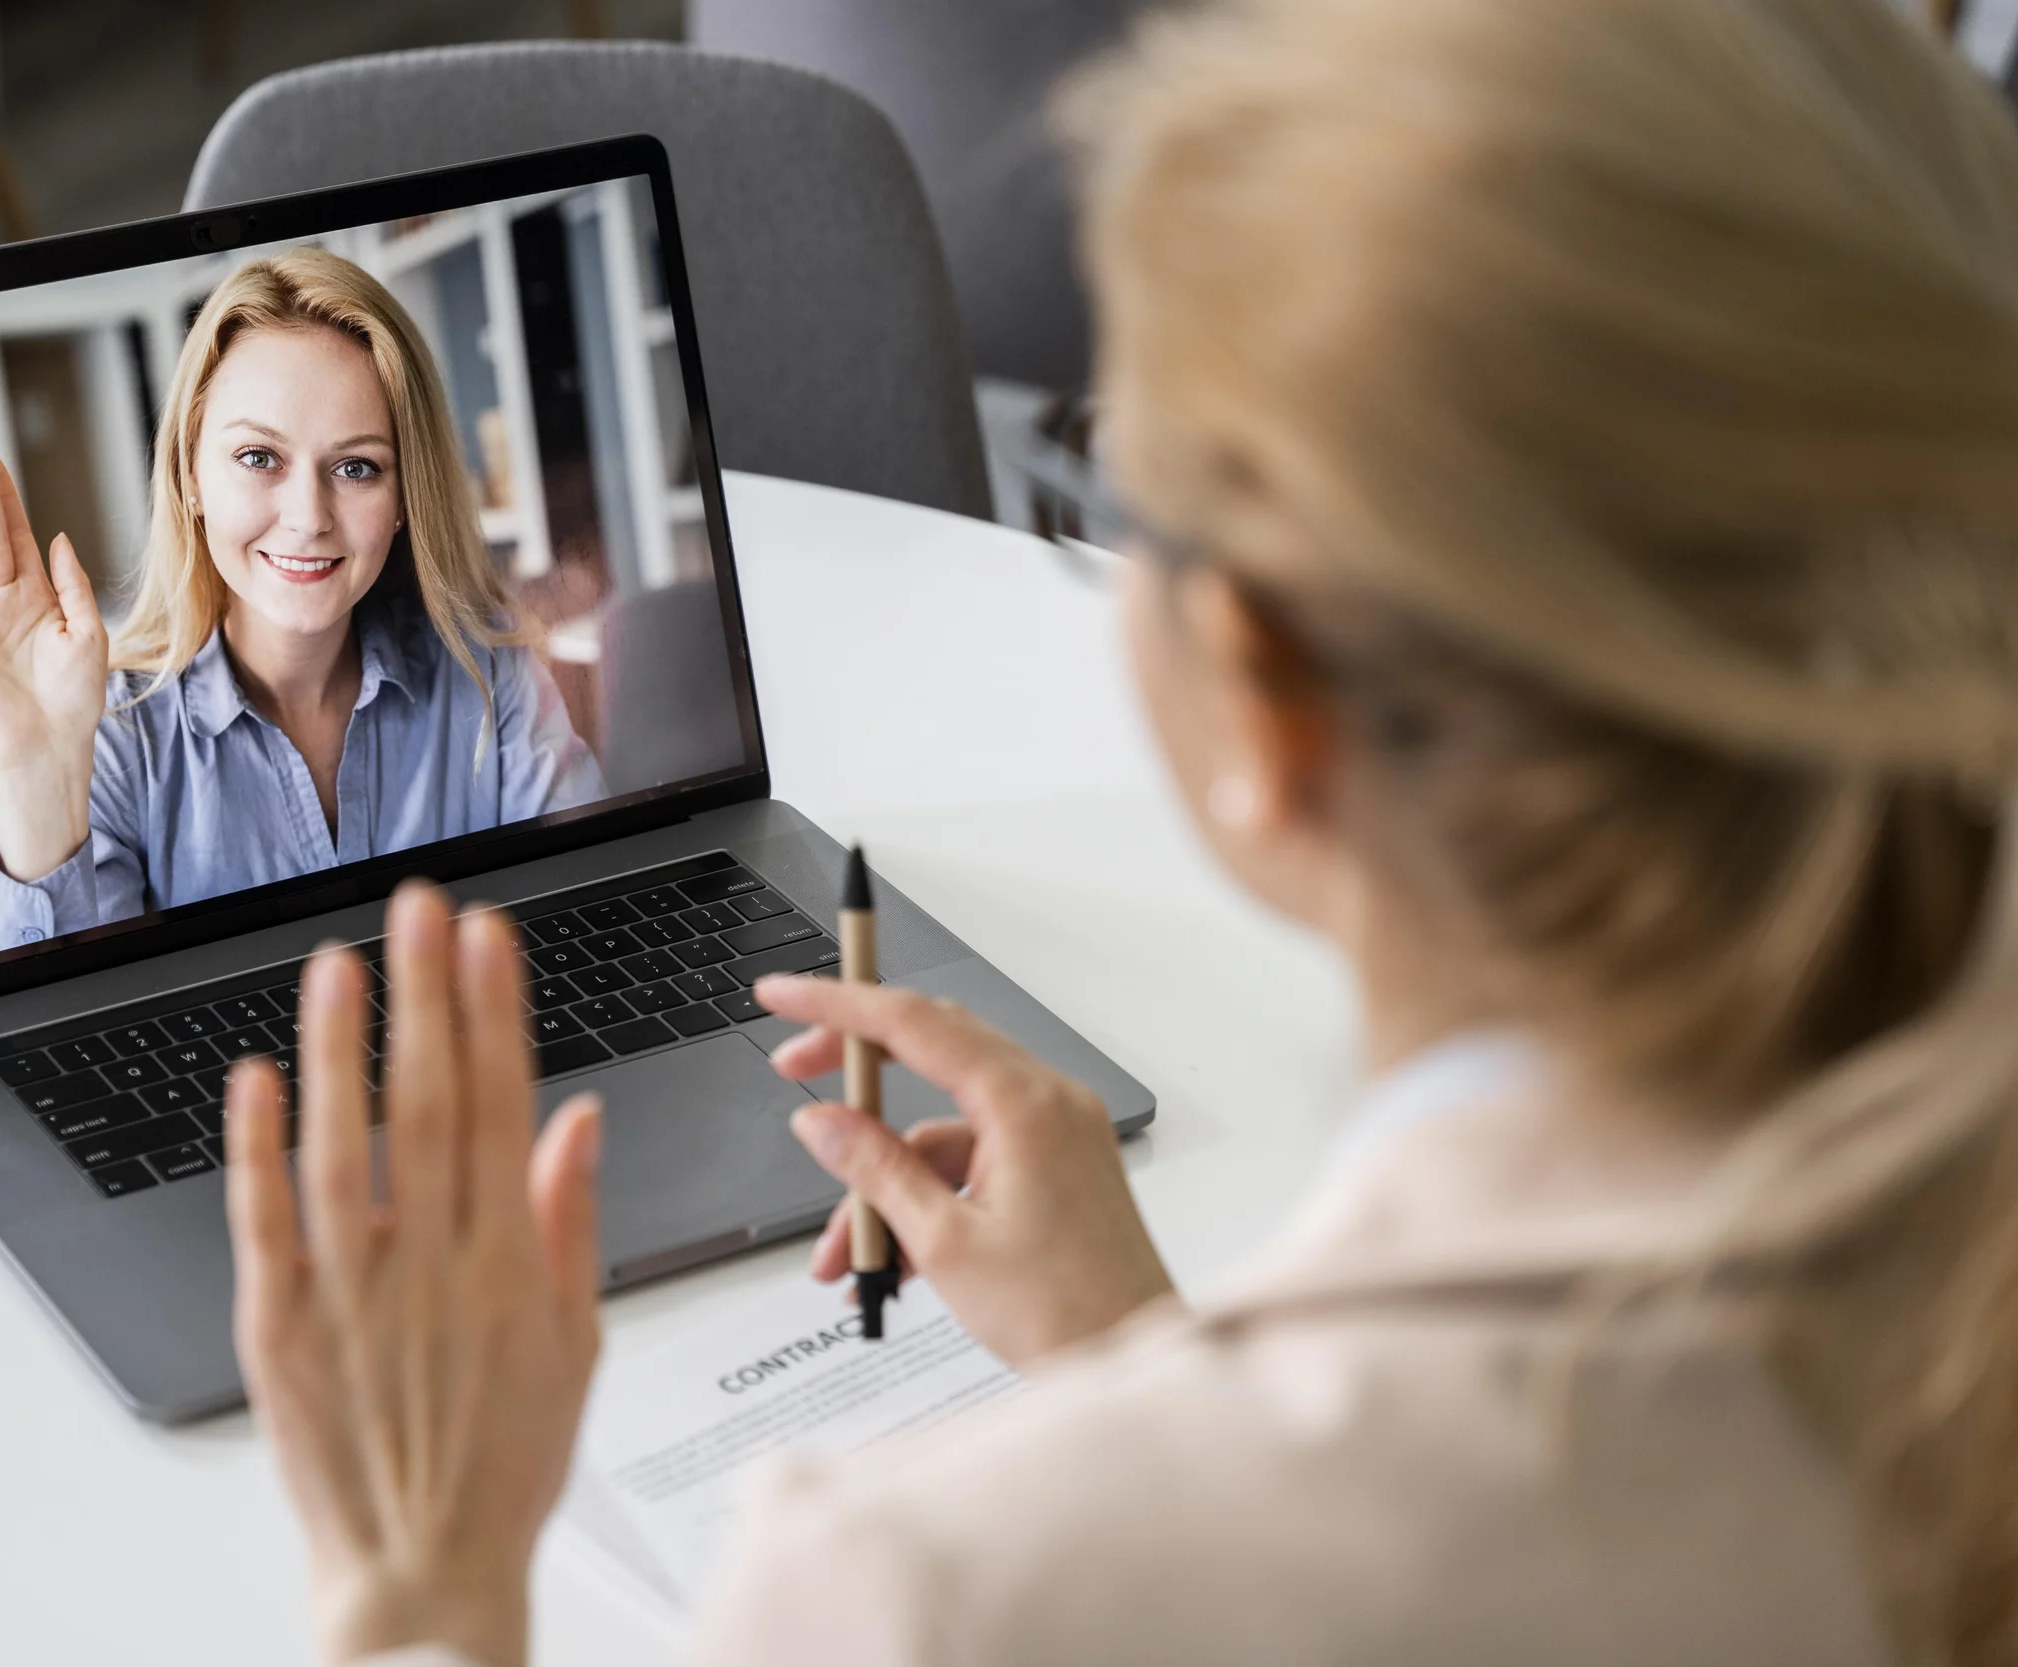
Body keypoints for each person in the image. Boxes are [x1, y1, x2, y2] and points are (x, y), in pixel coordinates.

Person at [219, 0, 2018, 1662]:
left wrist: (426, 1588)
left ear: (1266, 702)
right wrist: (1147, 1363)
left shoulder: (924, 1594)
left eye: (1116, 460)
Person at [0, 248, 604, 952]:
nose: (307, 516)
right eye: (258, 457)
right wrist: (33, 773)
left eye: (357, 467)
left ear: (404, 499)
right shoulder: (115, 728)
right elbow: (57, 1041)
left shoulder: (488, 667)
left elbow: (595, 915)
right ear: (190, 478)